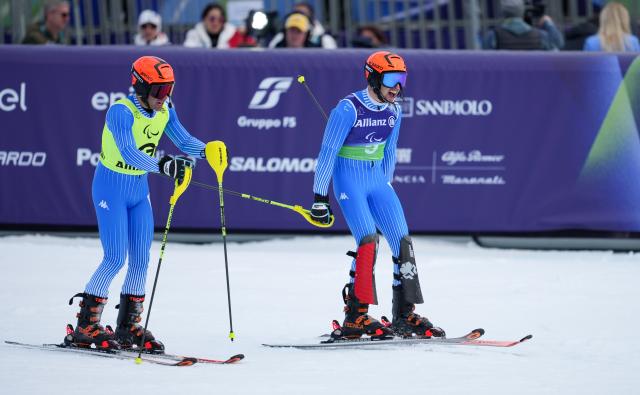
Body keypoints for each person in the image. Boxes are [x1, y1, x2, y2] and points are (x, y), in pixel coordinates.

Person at [65, 56, 214, 351]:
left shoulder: (165, 110)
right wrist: (163, 166)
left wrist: (209, 150)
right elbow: (129, 153)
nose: (165, 97)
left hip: (138, 191)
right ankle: (85, 326)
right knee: (115, 258)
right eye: (159, 91)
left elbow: (184, 142)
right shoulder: (121, 112)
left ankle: (127, 327)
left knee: (141, 259)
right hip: (111, 187)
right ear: (141, 87)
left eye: (169, 89)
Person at [309, 51, 445, 339]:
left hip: (377, 182)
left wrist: (386, 184)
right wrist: (319, 197)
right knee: (368, 241)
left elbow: (390, 151)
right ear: (372, 76)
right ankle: (355, 317)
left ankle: (403, 315)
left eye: (402, 79)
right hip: (350, 182)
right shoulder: (348, 108)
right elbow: (327, 153)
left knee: (403, 242)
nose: (398, 87)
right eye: (392, 79)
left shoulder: (394, 110)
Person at [483, 0, 564, 50]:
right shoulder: (539, 36)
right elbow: (558, 43)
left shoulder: (493, 36)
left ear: (503, 13)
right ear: (522, 11)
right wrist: (548, 23)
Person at [183, 3, 254, 48]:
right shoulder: (194, 35)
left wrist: (246, 35)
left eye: (220, 19)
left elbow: (252, 47)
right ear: (204, 19)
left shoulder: (233, 35)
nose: (216, 23)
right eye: (212, 19)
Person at [268, 4, 335, 49]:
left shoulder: (324, 40)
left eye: (299, 31)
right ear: (285, 32)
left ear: (306, 34)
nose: (294, 35)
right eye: (292, 30)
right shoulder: (277, 43)